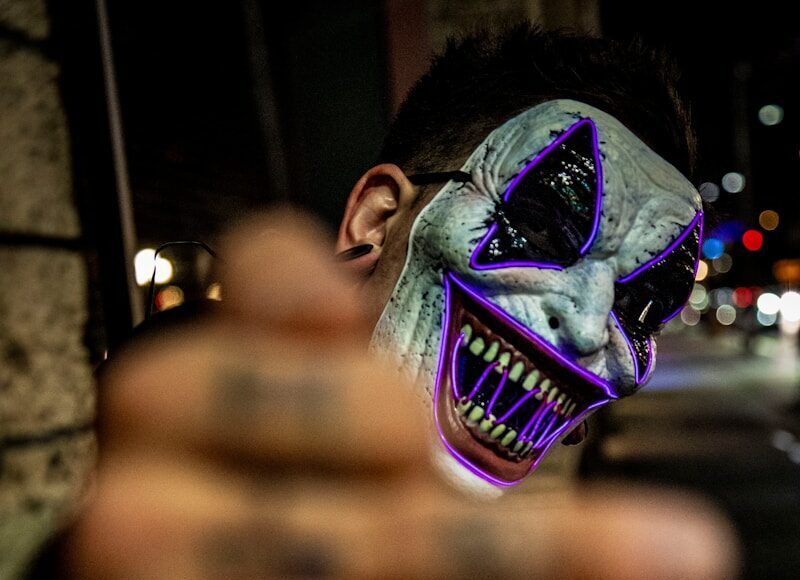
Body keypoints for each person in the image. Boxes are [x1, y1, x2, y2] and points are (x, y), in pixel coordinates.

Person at [32, 23, 738, 578]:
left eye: (641, 305)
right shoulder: (125, 456)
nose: (588, 329)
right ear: (376, 219)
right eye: (543, 222)